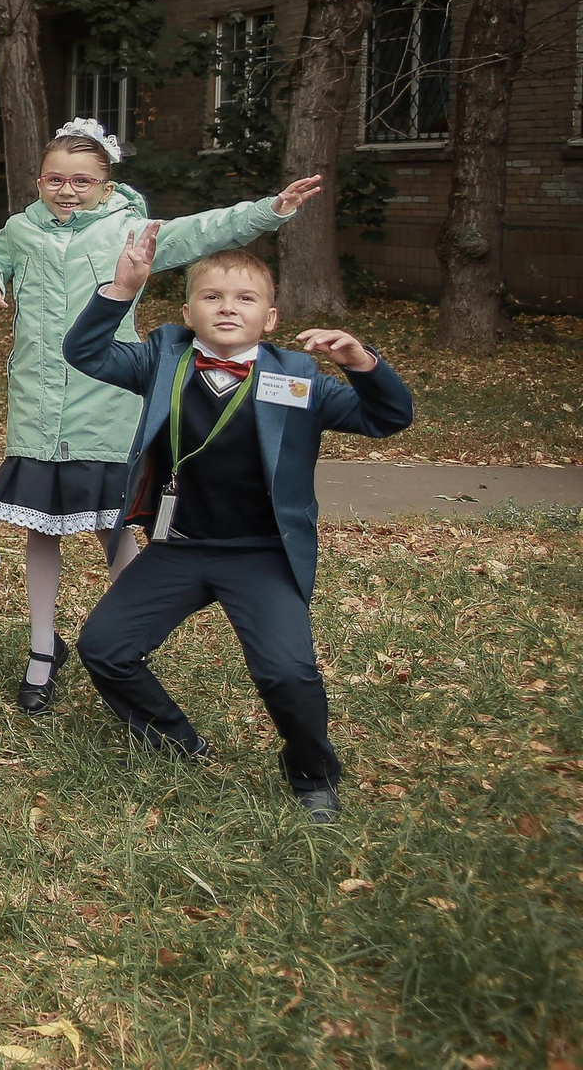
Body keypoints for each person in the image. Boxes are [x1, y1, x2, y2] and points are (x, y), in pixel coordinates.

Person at [0, 117, 323, 715]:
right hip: (35, 404)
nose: (68, 190)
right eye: (56, 179)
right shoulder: (21, 229)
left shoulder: (132, 231)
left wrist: (271, 209)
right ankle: (40, 647)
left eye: (83, 180)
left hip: (105, 404)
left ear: (107, 186)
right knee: (41, 527)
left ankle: (123, 643)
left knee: (115, 524)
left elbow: (208, 229)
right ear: (38, 181)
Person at [67, 237, 413, 824]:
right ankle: (177, 740)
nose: (228, 307)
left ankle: (312, 773)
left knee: (287, 671)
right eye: (212, 296)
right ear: (187, 312)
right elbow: (87, 353)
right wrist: (121, 291)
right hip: (180, 546)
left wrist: (361, 364)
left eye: (245, 298)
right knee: (104, 647)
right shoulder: (162, 359)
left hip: (261, 553)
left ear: (270, 318)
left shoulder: (297, 377)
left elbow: (389, 418)